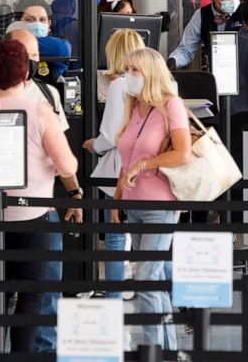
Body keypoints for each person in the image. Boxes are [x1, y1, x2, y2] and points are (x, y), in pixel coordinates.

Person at [0, 39, 82, 353]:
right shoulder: (40, 111)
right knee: (30, 293)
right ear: (26, 72)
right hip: (32, 216)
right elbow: (67, 164)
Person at [116, 48, 192, 349]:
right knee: (154, 276)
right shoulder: (134, 107)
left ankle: (152, 350)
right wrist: (119, 199)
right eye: (127, 69)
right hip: (133, 204)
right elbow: (125, 157)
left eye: (135, 70)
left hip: (160, 205)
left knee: (146, 278)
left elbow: (182, 153)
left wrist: (145, 164)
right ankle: (168, 349)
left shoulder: (170, 106)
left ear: (150, 73)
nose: (128, 76)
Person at [84, 29, 146, 300]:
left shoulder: (121, 85)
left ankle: (116, 290)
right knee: (143, 231)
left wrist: (92, 145)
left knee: (116, 230)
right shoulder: (156, 80)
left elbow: (111, 134)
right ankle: (139, 285)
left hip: (122, 168)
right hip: (148, 166)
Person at [0, 0, 73, 98]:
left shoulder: (60, 46)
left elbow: (61, 48)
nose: (37, 24)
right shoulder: (3, 51)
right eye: (30, 20)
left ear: (49, 24)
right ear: (18, 23)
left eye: (42, 20)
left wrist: (12, 42)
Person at [168, 0, 245, 70]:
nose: (233, 0)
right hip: (215, 70)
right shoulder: (201, 15)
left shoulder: (245, 11)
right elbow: (186, 50)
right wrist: (173, 60)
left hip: (243, 69)